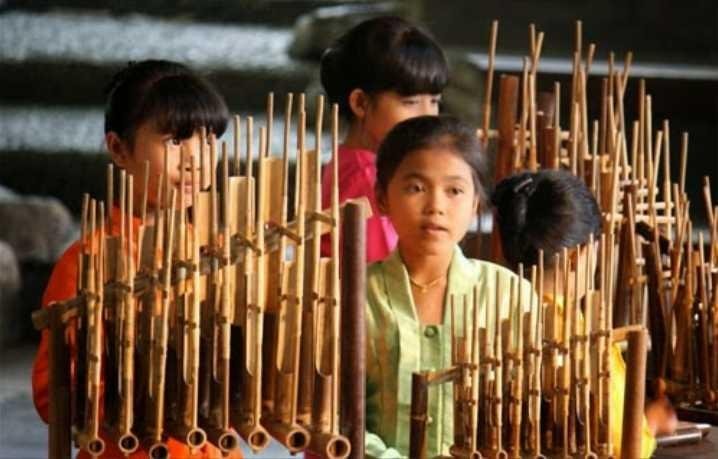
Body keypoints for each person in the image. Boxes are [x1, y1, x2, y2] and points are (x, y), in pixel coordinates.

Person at [31, 59, 240, 459]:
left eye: (209, 139)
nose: (196, 159)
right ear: (119, 149)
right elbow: (52, 398)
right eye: (176, 140)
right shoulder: (86, 262)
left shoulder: (216, 250)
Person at [364, 115, 534, 457]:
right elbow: (332, 415)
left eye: (454, 190)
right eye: (416, 188)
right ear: (382, 198)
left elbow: (532, 406)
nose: (436, 207)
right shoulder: (352, 295)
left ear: (475, 205)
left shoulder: (508, 296)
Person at [492, 169, 678, 458]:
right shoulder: (573, 333)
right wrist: (652, 423)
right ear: (578, 255)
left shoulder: (495, 308)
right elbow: (621, 445)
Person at [319, 16, 448, 263]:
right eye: (409, 102)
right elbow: (379, 276)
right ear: (360, 103)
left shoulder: (356, 163)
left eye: (434, 101)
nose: (427, 115)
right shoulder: (367, 178)